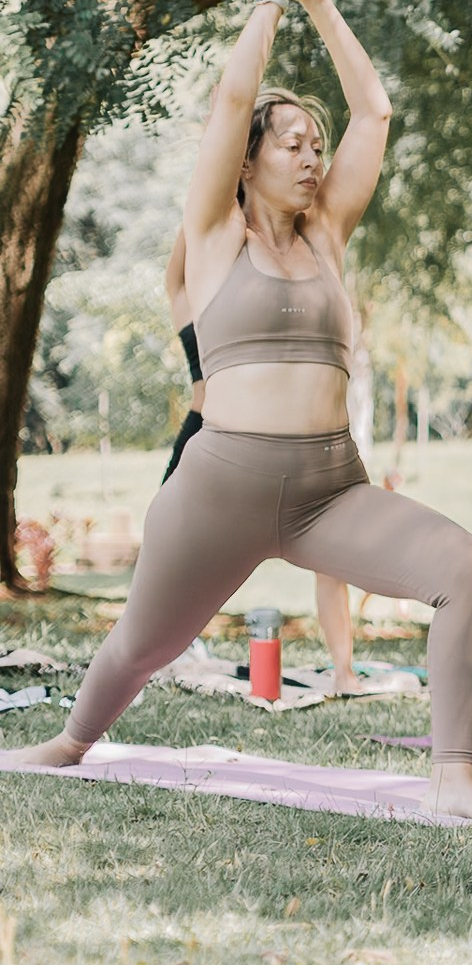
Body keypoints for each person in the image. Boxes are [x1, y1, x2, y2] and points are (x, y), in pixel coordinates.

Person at [2, 0, 472, 820]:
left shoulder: (329, 234)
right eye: (293, 145)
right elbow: (232, 102)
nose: (313, 158)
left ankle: (453, 779)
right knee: (141, 645)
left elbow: (376, 111)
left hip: (330, 489)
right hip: (221, 485)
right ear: (247, 163)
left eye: (318, 148)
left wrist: (322, 2)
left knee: (466, 567)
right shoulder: (211, 234)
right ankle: (72, 742)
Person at [166, 229, 365, 695]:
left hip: (280, 441)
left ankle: (344, 669)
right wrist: (199, 207)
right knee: (173, 551)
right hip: (206, 438)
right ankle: (159, 651)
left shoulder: (264, 295)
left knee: (330, 557)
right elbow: (175, 280)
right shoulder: (209, 301)